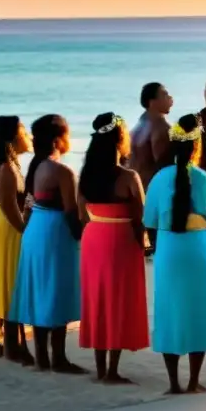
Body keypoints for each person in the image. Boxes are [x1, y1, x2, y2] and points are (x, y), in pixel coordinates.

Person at [144, 114, 206, 394]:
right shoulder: (205, 179)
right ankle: (194, 382)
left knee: (170, 313)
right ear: (197, 147)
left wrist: (160, 249)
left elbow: (150, 223)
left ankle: (173, 383)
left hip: (169, 249)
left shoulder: (159, 179)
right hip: (199, 248)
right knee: (197, 313)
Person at [9, 115, 85, 374]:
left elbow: (29, 204)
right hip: (54, 231)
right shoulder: (62, 171)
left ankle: (42, 356)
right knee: (57, 290)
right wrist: (84, 237)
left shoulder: (36, 166)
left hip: (36, 230)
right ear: (57, 140)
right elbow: (70, 211)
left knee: (41, 290)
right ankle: (59, 358)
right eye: (67, 134)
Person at [78, 113, 149, 384]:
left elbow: (81, 213)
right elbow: (142, 216)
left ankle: (99, 369)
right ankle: (112, 370)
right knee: (117, 301)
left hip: (94, 237)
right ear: (120, 139)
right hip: (120, 239)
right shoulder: (128, 177)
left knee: (98, 300)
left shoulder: (85, 175)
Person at [0, 116, 33, 363]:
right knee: (12, 283)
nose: (29, 136)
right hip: (9, 229)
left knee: (11, 282)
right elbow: (11, 208)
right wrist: (26, 230)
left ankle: (13, 342)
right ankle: (12, 344)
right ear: (14, 137)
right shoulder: (7, 169)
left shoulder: (11, 166)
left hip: (5, 227)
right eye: (24, 132)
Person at [132, 82, 174, 254]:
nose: (170, 98)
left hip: (138, 192)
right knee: (164, 246)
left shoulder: (140, 124)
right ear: (152, 101)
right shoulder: (161, 126)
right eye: (164, 94)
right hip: (156, 194)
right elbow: (164, 166)